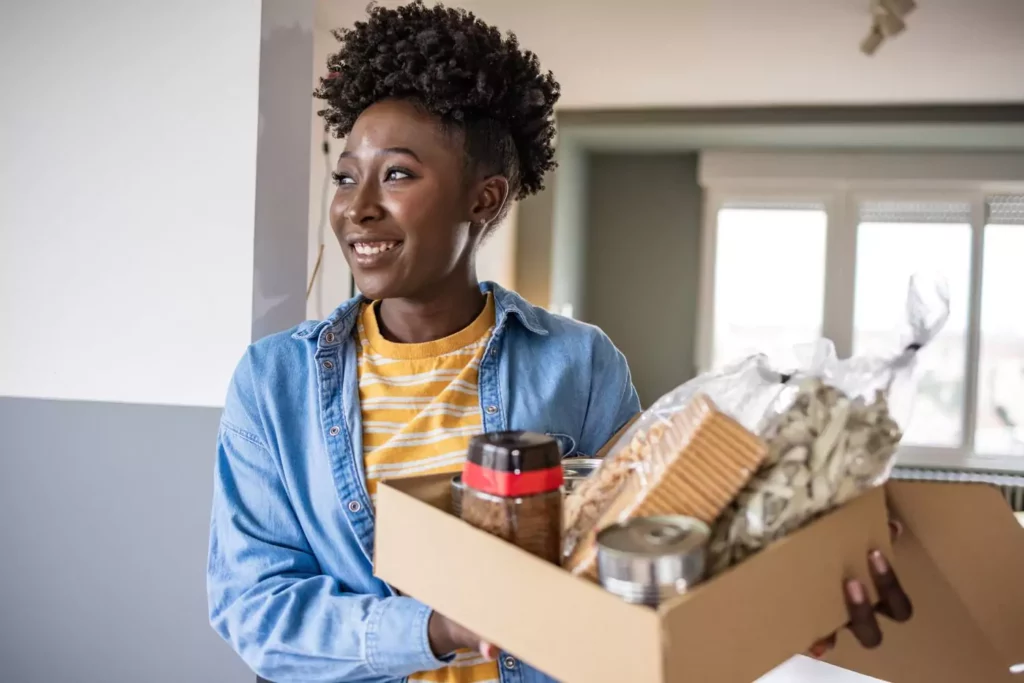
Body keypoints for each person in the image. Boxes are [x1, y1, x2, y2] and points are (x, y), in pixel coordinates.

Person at [206, 2, 911, 682]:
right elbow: (254, 608)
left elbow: (638, 572)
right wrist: (432, 629)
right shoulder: (275, 382)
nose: (357, 206)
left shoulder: (578, 363)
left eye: (397, 174)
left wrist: (791, 594)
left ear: (484, 199)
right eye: (344, 175)